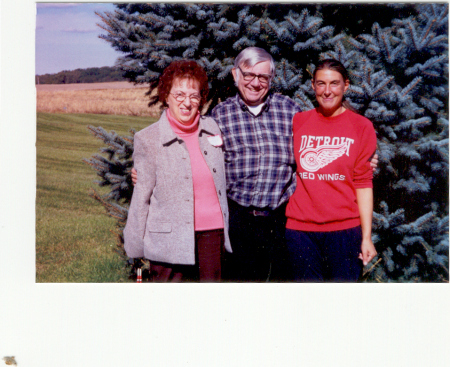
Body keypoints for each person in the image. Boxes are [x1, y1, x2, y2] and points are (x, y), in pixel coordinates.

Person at [132, 47, 378, 282]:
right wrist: (150, 170)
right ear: (235, 74)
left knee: (286, 288)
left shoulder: (291, 111)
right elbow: (188, 146)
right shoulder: (219, 115)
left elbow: (323, 134)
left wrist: (365, 159)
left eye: (263, 76)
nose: (255, 82)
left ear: (271, 79)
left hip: (282, 219)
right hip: (239, 219)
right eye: (248, 74)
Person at [123, 60, 232, 282]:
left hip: (212, 234)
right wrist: (135, 248)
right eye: (179, 95)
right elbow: (141, 199)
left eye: (194, 96)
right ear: (166, 96)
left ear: (201, 99)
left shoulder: (212, 128)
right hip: (168, 242)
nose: (187, 102)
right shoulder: (148, 139)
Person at [285, 58, 377, 282]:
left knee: (342, 305)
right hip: (301, 231)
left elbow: (363, 184)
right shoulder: (299, 121)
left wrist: (366, 237)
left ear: (346, 86)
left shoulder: (361, 126)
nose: (327, 91)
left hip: (344, 231)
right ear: (313, 86)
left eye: (334, 84)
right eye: (321, 84)